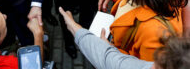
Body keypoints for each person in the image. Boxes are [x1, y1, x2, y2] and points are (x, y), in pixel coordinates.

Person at [59, 6, 190, 69]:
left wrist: (73, 27)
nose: (150, 66)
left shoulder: (152, 30)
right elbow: (109, 57)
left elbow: (107, 58)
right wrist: (74, 27)